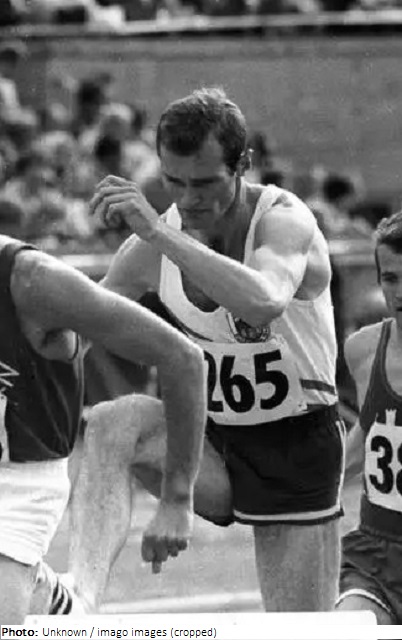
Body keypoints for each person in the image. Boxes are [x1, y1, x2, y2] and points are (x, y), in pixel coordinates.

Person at [52, 87, 345, 614]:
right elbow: (77, 334)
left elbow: (264, 300)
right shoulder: (148, 248)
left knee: (302, 628)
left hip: (297, 446)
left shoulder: (284, 220)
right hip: (211, 443)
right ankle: (81, 598)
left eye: (206, 184)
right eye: (174, 182)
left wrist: (161, 237)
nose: (188, 201)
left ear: (243, 165)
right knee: (112, 422)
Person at [0, 233, 206, 623]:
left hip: (18, 483)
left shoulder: (32, 281)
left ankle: (53, 598)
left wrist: (177, 498)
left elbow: (182, 358)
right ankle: (53, 600)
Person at [336, 211, 402, 624]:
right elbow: (371, 428)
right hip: (376, 556)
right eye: (391, 278)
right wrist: (317, 490)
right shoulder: (362, 349)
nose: (400, 292)